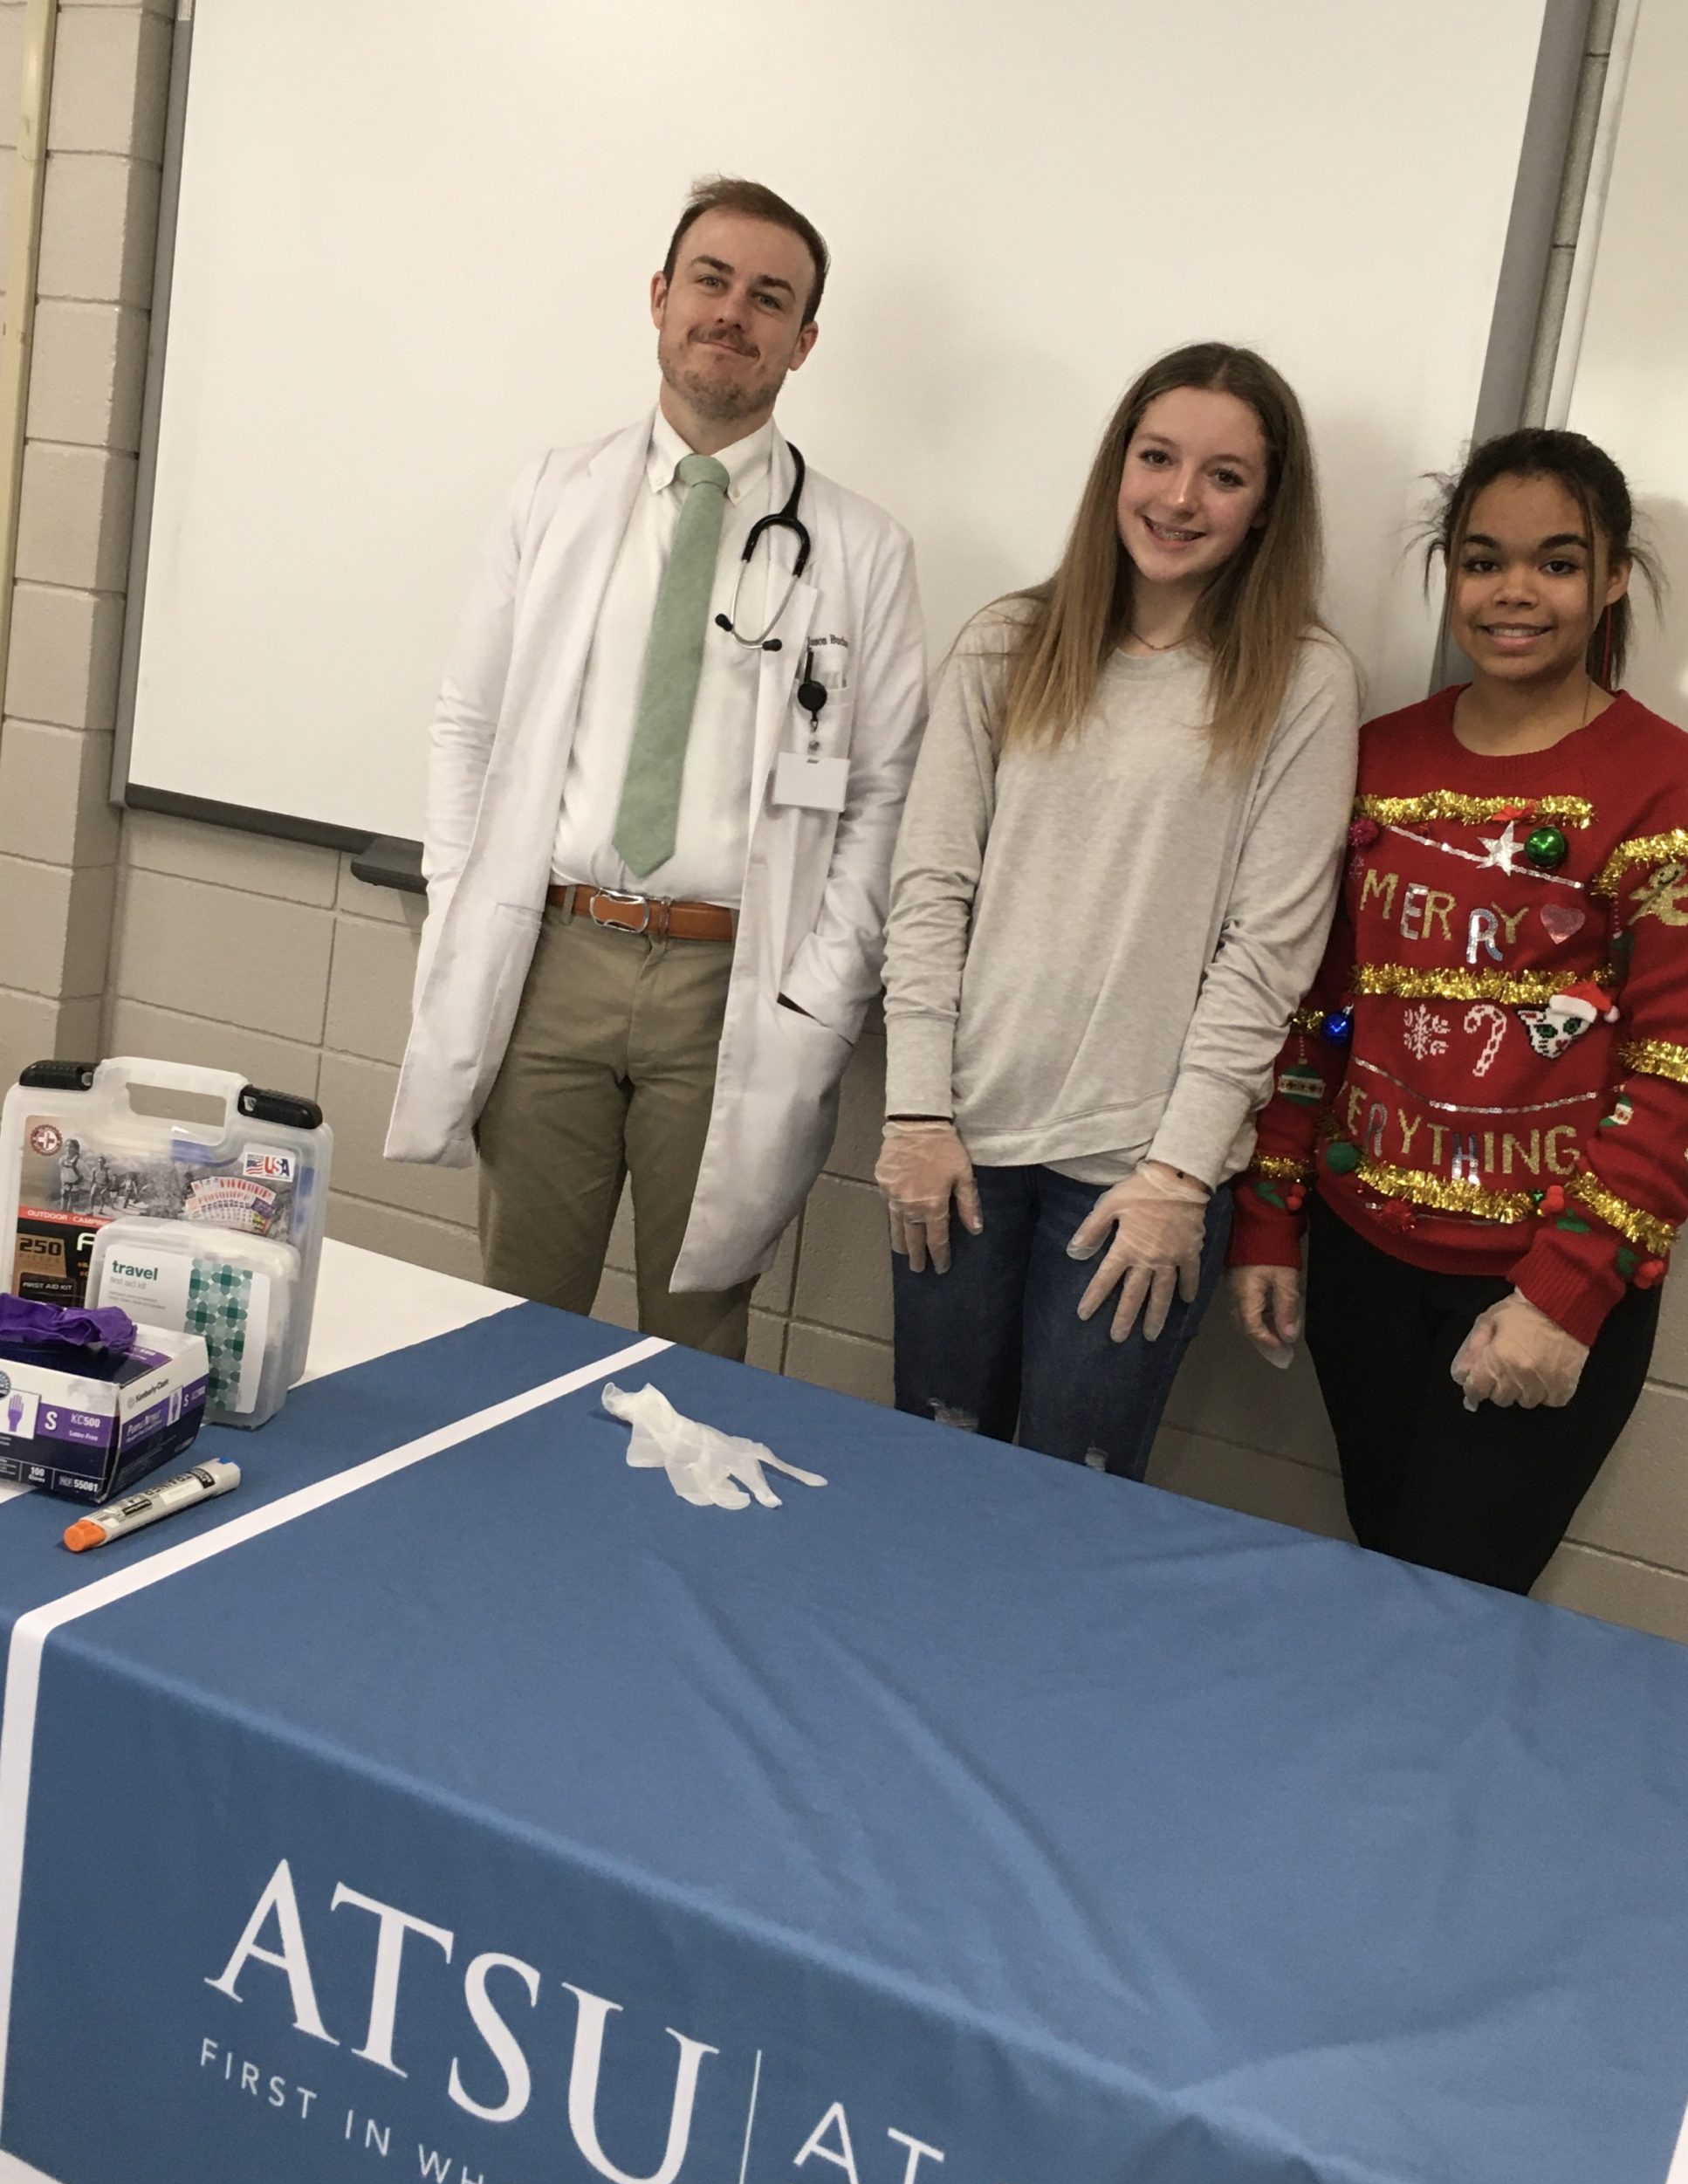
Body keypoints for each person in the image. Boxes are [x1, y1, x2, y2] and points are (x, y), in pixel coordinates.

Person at [386, 177, 926, 1358]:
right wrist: (454, 899)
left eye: (769, 297)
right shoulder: (551, 494)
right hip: (556, 960)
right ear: (659, 298)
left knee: (694, 1343)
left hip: (728, 981)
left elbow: (881, 792)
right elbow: (465, 721)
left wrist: (821, 989)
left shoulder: (861, 549)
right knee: (519, 1319)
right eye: (711, 281)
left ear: (803, 339)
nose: (732, 313)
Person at [876, 341, 1358, 1478]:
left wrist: (1180, 1179)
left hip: (1131, 1182)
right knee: (926, 1469)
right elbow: (930, 888)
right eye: (1157, 458)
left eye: (1224, 475)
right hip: (957, 1146)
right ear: (1116, 467)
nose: (1179, 498)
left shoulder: (1301, 680)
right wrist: (909, 1114)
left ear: (1265, 505)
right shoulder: (1007, 643)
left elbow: (1266, 958)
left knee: (1067, 1502)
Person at [1228, 428, 1683, 1594]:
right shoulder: (1373, 756)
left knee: (1450, 1609)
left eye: (1555, 561)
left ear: (1614, 575)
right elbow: (1316, 1009)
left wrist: (1560, 1294)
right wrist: (1271, 1217)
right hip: (1365, 1268)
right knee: (1388, 1581)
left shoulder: (1662, 782)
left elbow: (1672, 1069)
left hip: (1540, 1280)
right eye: (1481, 561)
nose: (1512, 593)